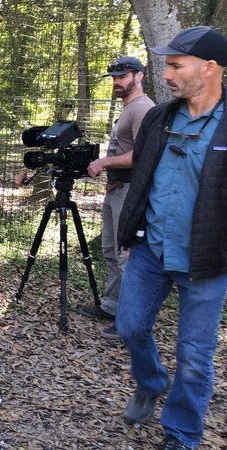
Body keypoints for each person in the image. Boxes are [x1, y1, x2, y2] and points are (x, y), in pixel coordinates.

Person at [116, 26, 227, 450]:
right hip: (151, 249)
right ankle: (151, 380)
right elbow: (142, 178)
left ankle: (181, 434)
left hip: (207, 262)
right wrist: (130, 232)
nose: (167, 73)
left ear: (210, 68)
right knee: (129, 326)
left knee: (196, 360)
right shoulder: (160, 118)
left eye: (176, 65)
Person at [79, 56, 155, 340]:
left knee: (128, 257)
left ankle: (130, 324)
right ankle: (112, 307)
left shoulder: (143, 109)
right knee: (111, 252)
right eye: (114, 78)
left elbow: (141, 155)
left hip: (131, 192)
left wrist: (104, 163)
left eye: (122, 77)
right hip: (115, 191)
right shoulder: (127, 108)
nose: (117, 82)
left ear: (139, 77)